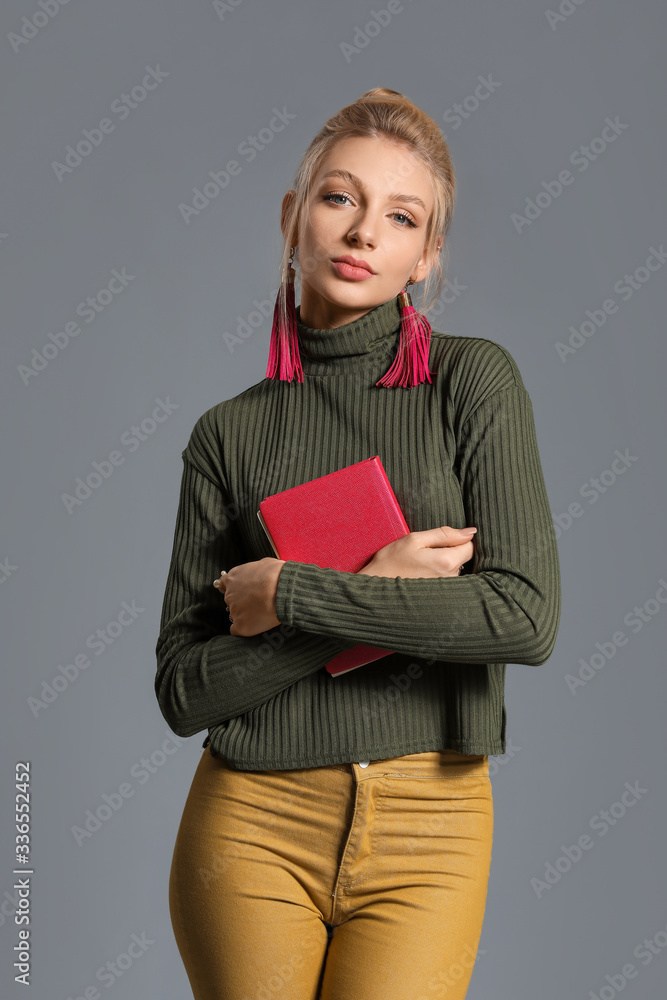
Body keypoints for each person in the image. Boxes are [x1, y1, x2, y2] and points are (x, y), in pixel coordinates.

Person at [155, 88, 561, 1000]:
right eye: (340, 199)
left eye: (400, 215)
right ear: (294, 217)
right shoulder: (228, 435)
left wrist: (295, 595)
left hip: (432, 823)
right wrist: (388, 591)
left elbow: (522, 617)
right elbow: (184, 691)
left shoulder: (474, 384)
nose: (363, 231)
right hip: (251, 817)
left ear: (426, 257)